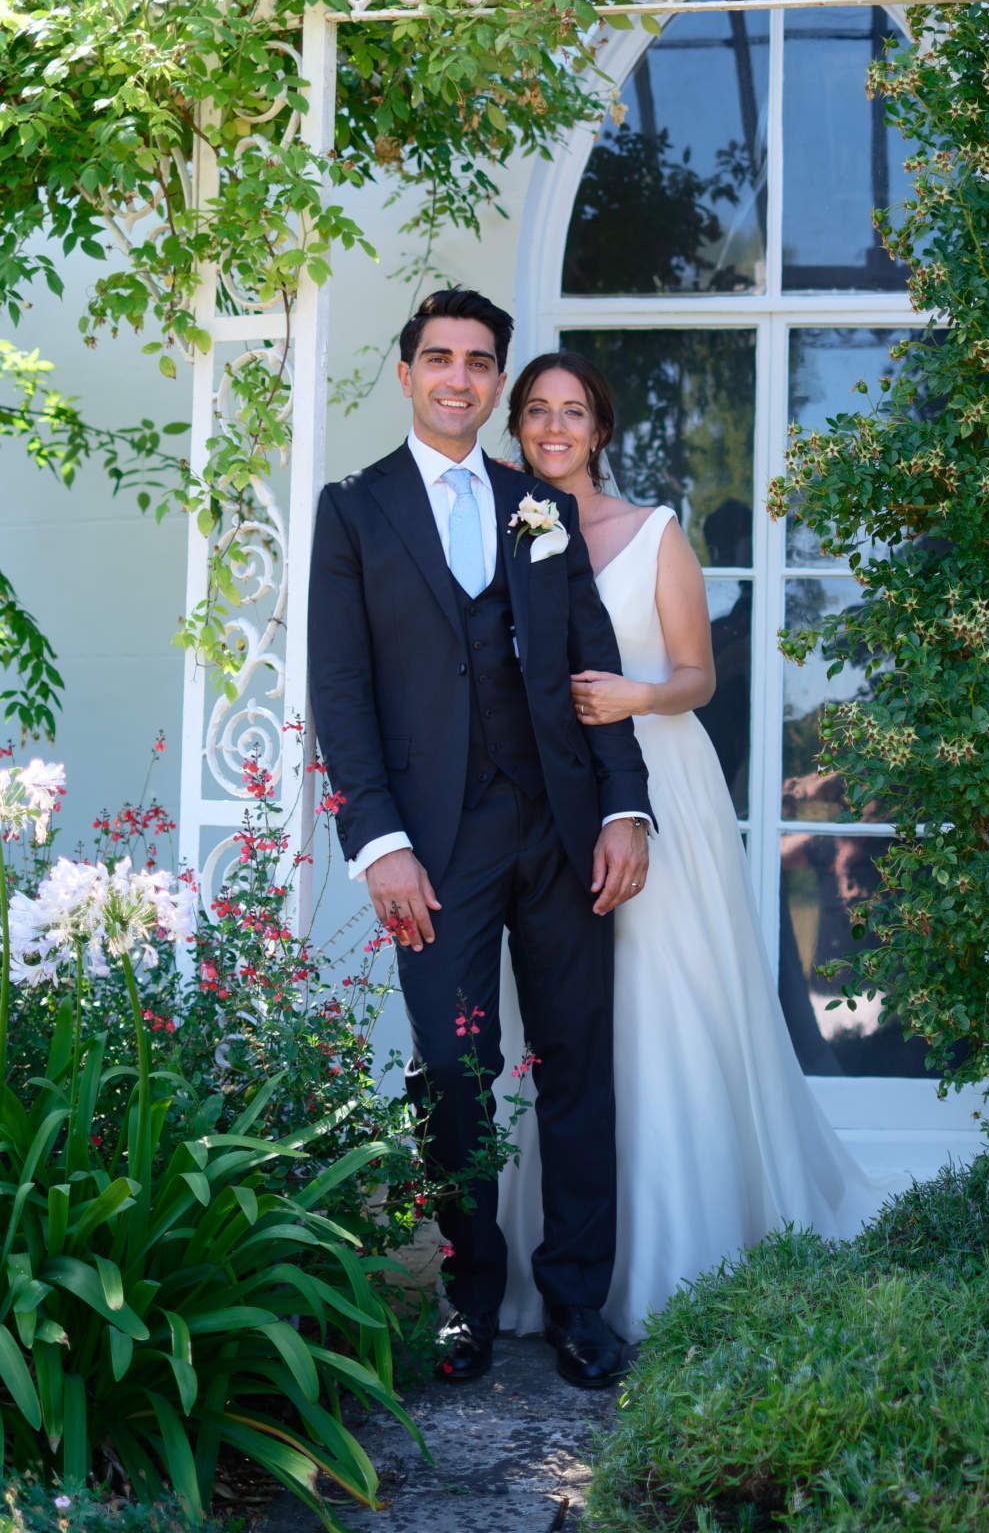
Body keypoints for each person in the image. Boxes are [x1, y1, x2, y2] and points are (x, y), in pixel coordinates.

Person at [497, 350, 886, 1339]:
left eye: (572, 412)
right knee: (570, 1027)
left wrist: (634, 694)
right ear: (518, 426)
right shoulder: (497, 533)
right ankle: (570, 1261)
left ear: (601, 428)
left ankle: (682, 1254)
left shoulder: (654, 533)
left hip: (657, 779)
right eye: (537, 411)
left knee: (661, 1004)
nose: (554, 428)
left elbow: (698, 677)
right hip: (546, 802)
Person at [307, 290, 655, 1390]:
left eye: (479, 363)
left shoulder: (534, 505)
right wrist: (379, 843)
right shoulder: (353, 511)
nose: (460, 378)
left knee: (574, 1069)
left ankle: (575, 1304)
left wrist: (624, 810)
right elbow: (340, 689)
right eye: (440, 359)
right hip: (433, 845)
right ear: (407, 372)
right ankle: (465, 1299)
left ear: (494, 382)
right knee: (453, 1072)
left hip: (556, 832)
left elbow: (590, 665)